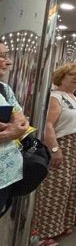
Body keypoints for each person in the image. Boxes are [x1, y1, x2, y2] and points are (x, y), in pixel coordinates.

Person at [32, 63, 76, 246]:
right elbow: (48, 125)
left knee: (70, 187)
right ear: (61, 77)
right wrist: (55, 149)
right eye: (73, 74)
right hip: (61, 145)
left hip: (75, 146)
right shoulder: (55, 97)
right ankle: (42, 235)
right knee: (55, 189)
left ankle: (61, 225)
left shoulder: (73, 98)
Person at [0, 43, 30, 216]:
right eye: (2, 56)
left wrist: (11, 130)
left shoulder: (4, 89)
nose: (9, 62)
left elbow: (22, 122)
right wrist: (10, 131)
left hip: (6, 175)